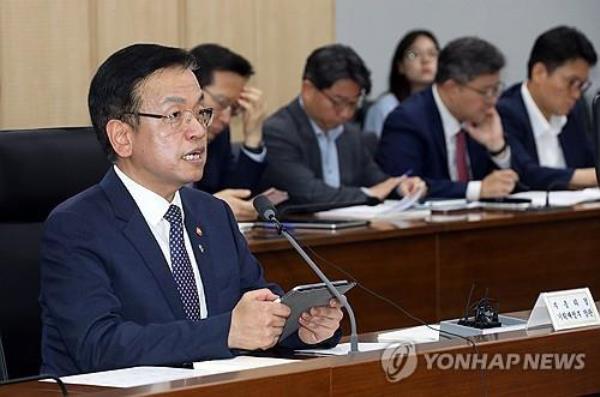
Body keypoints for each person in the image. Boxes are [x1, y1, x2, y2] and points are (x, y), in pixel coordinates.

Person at [39, 44, 342, 376]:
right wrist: (226, 331)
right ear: (122, 137)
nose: (198, 130)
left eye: (201, 112)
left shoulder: (212, 214)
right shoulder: (77, 226)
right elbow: (98, 345)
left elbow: (255, 306)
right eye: (174, 115)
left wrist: (302, 328)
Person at [261, 44, 426, 206]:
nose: (346, 113)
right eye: (338, 102)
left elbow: (375, 179)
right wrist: (368, 194)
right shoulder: (279, 131)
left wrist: (400, 187)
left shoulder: (351, 134)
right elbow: (308, 192)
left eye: (353, 104)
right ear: (308, 89)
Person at [376, 37, 521, 199]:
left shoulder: (485, 116)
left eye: (496, 89)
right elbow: (402, 186)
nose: (492, 100)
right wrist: (477, 190)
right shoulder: (407, 120)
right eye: (485, 91)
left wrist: (498, 149)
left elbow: (525, 179)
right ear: (451, 88)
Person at [497, 26, 598, 190]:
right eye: (572, 83)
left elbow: (591, 159)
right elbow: (525, 173)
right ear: (539, 73)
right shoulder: (505, 111)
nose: (576, 95)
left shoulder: (575, 111)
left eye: (582, 86)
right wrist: (592, 176)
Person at [190, 44, 267, 220]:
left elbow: (238, 195)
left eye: (233, 108)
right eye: (222, 103)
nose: (226, 119)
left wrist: (253, 138)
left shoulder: (218, 135)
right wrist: (211, 207)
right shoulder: (160, 135)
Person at [364, 30, 439, 136]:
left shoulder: (446, 106)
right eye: (413, 54)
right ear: (400, 66)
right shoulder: (387, 107)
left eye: (432, 54)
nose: (425, 60)